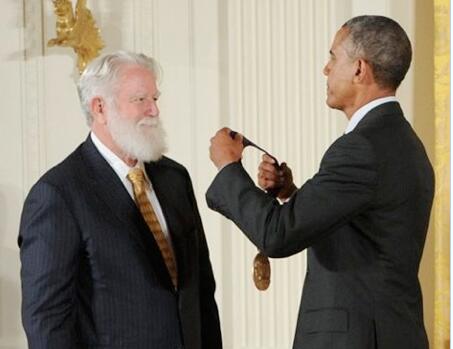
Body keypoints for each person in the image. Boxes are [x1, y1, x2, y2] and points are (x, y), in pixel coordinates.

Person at [206, 15, 433, 349]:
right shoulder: (403, 141)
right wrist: (291, 195)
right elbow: (364, 233)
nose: (326, 69)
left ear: (359, 69)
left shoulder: (361, 147)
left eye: (332, 57)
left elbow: (277, 236)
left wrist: (228, 167)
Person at [19, 51, 222, 349]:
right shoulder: (58, 194)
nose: (154, 110)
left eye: (155, 98)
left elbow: (202, 291)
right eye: (140, 100)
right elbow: (46, 319)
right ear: (100, 108)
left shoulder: (174, 178)